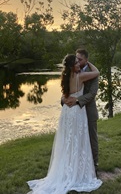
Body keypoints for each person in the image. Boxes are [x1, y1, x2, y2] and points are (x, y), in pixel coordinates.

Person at [26, 54, 102, 194]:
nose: (79, 64)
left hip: (67, 111)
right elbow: (97, 72)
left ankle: (68, 167)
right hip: (77, 112)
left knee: (68, 140)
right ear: (72, 66)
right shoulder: (81, 76)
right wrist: (88, 61)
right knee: (78, 140)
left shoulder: (65, 77)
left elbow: (64, 95)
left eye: (80, 62)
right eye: (77, 63)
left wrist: (66, 98)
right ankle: (77, 171)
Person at [64, 49, 99, 176]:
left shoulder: (91, 74)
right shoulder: (72, 74)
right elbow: (65, 91)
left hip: (88, 112)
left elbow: (92, 94)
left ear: (86, 60)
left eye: (80, 59)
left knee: (91, 139)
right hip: (74, 112)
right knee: (74, 140)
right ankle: (75, 167)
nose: (78, 61)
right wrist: (65, 99)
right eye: (76, 59)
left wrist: (77, 100)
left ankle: (94, 167)